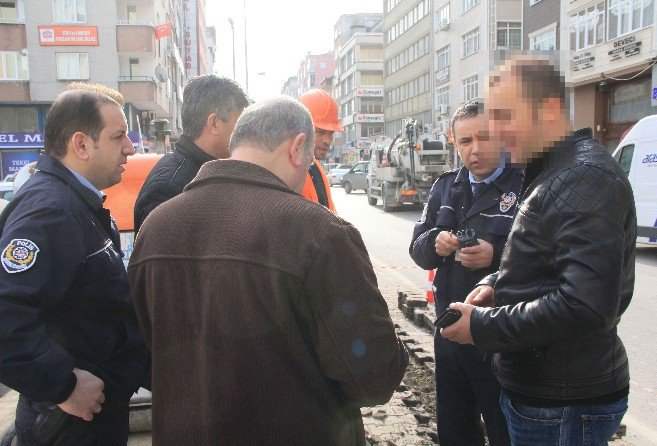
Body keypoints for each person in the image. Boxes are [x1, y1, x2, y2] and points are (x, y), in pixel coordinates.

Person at [129, 97, 408, 445]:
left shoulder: (156, 226)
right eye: (307, 165)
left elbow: (150, 345)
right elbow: (373, 380)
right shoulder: (317, 233)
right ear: (297, 147)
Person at [441, 57, 636, 446]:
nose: (495, 131)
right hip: (549, 392)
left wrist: (482, 326)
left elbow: (585, 304)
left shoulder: (582, 176)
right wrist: (498, 283)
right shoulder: (555, 169)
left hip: (562, 403)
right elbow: (552, 260)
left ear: (548, 109)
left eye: (504, 116)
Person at [0, 90, 150, 445]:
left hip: (93, 416)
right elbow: (5, 314)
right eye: (118, 136)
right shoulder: (53, 212)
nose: (130, 148)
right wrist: (64, 385)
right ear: (81, 145)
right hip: (69, 424)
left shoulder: (76, 205)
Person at [410, 100, 519, 446]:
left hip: (500, 338)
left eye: (483, 138)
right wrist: (435, 242)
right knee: (455, 430)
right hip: (451, 334)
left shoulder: (524, 185)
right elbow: (417, 249)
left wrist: (495, 256)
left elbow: (545, 257)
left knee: (504, 430)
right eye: (465, 141)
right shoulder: (446, 186)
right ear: (454, 143)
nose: (475, 149)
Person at [133, 74, 248, 229]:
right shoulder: (168, 188)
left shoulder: (207, 171)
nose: (243, 133)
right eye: (240, 124)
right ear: (214, 123)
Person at [299, 89, 342, 212]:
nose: (327, 140)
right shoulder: (286, 171)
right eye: (320, 132)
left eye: (331, 133)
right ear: (300, 128)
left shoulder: (315, 167)